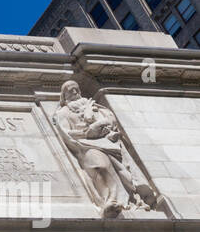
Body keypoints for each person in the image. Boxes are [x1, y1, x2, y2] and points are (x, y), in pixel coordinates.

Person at [52, 80, 156, 218]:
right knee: (100, 165)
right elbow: (67, 132)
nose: (75, 93)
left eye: (76, 89)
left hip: (109, 142)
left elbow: (111, 120)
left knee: (124, 174)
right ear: (64, 95)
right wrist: (87, 132)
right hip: (85, 144)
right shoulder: (63, 112)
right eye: (70, 91)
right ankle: (111, 200)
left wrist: (103, 126)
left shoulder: (95, 106)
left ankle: (130, 198)